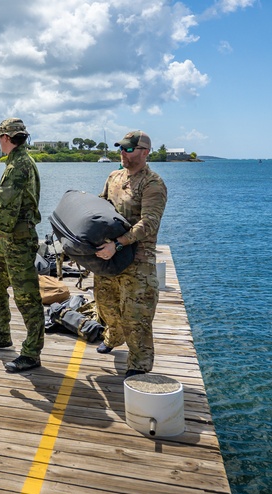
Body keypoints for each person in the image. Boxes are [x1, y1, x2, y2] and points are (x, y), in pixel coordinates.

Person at [93, 130, 168, 378]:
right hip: (109, 256)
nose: (122, 153)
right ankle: (114, 336)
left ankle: (138, 366)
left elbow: (148, 224)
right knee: (106, 305)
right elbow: (101, 207)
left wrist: (119, 243)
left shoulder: (153, 184)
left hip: (138, 260)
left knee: (137, 317)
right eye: (121, 149)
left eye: (128, 149)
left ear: (144, 153)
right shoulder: (114, 176)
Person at [0, 118, 44, 373]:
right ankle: (1, 334)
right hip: (9, 239)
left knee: (27, 298)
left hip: (18, 240)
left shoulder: (19, 166)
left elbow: (7, 212)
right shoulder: (19, 161)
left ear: (6, 138)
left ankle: (31, 353)